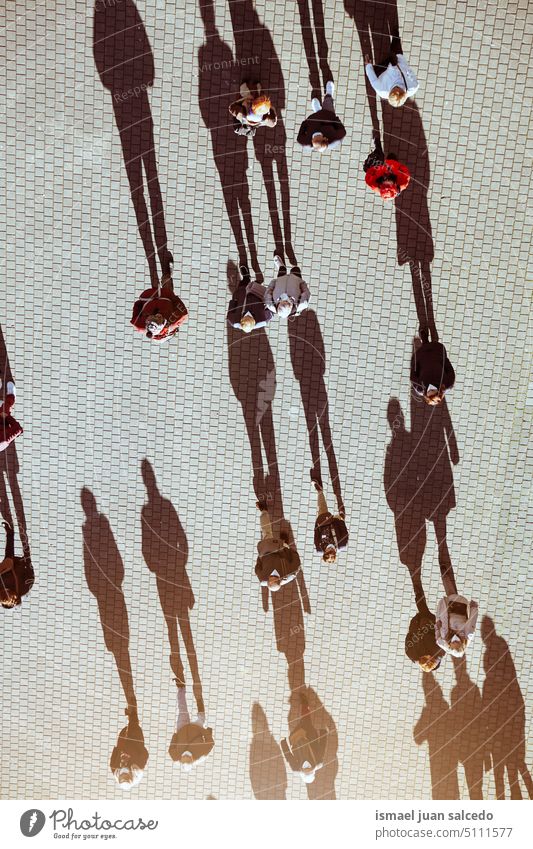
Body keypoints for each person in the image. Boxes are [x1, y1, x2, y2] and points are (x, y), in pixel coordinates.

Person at [130, 254, 188, 341]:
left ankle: (162, 277)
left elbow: (137, 307)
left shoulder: (139, 325)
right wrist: (171, 295)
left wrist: (142, 301)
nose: (157, 315)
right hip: (166, 296)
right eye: (159, 318)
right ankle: (167, 274)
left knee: (155, 285)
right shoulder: (175, 320)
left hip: (151, 297)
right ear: (164, 323)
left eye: (152, 316)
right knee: (167, 283)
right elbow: (180, 308)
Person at [280, 692, 328, 784]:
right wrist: (283, 744)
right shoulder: (296, 769)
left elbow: (322, 746)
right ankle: (303, 707)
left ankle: (305, 705)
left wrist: (323, 733)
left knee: (306, 719)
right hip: (297, 739)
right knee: (300, 722)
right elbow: (288, 756)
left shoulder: (319, 763)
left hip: (310, 735)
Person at [364, 28, 419, 107]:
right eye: (397, 88)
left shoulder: (382, 90)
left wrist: (368, 66)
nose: (396, 87)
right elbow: (410, 72)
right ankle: (395, 33)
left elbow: (373, 80)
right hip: (398, 60)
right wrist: (403, 67)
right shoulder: (413, 87)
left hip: (383, 70)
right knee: (396, 43)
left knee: (377, 67)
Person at [255, 501, 301, 591]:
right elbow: (296, 561)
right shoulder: (290, 574)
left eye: (269, 579)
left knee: (266, 532)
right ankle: (283, 541)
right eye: (273, 578)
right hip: (282, 549)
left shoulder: (262, 578)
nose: (270, 577)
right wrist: (289, 549)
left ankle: (264, 510)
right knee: (282, 542)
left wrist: (260, 556)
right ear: (278, 580)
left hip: (267, 550)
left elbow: (257, 568)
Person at [168, 688, 214, 771]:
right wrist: (202, 730)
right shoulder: (202, 755)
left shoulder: (175, 757)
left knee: (182, 708)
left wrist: (175, 736)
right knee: (202, 717)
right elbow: (210, 742)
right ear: (192, 760)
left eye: (183, 759)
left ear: (180, 761)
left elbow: (171, 749)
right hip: (197, 729)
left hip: (182, 728)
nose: (185, 756)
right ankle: (199, 698)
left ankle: (181, 689)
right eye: (188, 758)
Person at [296, 81, 346, 152]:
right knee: (328, 102)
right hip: (327, 114)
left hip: (314, 118)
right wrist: (334, 119)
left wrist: (305, 123)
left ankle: (317, 111)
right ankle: (329, 93)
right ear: (325, 138)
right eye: (318, 137)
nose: (315, 136)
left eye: (314, 138)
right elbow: (342, 131)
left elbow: (299, 137)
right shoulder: (334, 140)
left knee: (318, 112)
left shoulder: (304, 142)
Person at [312, 473, 348, 563]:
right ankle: (341, 514)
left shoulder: (319, 549)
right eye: (332, 553)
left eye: (327, 553)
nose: (329, 551)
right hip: (335, 522)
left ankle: (319, 490)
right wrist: (341, 521)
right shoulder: (341, 545)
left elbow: (316, 537)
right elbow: (344, 532)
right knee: (340, 515)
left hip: (324, 522)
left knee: (322, 507)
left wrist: (317, 525)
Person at [109, 707, 149, 790]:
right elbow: (145, 753)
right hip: (136, 740)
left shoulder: (115, 770)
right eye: (125, 774)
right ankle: (131, 713)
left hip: (123, 742)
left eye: (122, 775)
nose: (123, 773)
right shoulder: (138, 770)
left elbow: (112, 760)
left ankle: (131, 715)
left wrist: (118, 748)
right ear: (130, 776)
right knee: (134, 724)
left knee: (128, 726)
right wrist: (136, 748)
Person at [227, 264, 273, 333]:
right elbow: (270, 310)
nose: (248, 314)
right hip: (257, 295)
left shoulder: (233, 321)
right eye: (250, 316)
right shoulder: (263, 320)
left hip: (242, 293)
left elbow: (231, 306)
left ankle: (246, 276)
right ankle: (257, 283)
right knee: (256, 284)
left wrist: (236, 299)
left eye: (246, 316)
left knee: (244, 283)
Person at [363, 132, 410, 201]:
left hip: (379, 165)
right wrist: (397, 166)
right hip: (392, 163)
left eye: (384, 181)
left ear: (380, 186)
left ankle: (377, 142)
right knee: (392, 156)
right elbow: (405, 170)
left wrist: (375, 167)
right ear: (395, 184)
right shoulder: (403, 183)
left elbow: (368, 175)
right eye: (389, 180)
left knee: (379, 152)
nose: (386, 179)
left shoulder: (374, 185)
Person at [411, 336, 455, 405]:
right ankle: (428, 341)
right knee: (434, 343)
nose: (431, 387)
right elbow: (450, 371)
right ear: (439, 392)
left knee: (426, 344)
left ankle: (425, 340)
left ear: (426, 396)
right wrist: (443, 359)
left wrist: (416, 363)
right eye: (433, 390)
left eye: (429, 391)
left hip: (422, 355)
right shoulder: (448, 384)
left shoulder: (420, 389)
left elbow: (413, 376)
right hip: (437, 351)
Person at [0, 521, 33, 609]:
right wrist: (27, 563)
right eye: (8, 590)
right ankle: (24, 541)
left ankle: (10, 533)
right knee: (24, 552)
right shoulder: (24, 589)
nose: (5, 589)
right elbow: (31, 576)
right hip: (21, 568)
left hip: (7, 568)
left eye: (4, 590)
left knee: (8, 555)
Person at [0, 380, 23, 453]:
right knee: (5, 407)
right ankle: (11, 396)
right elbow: (18, 429)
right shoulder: (3, 440)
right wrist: (6, 416)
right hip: (2, 420)